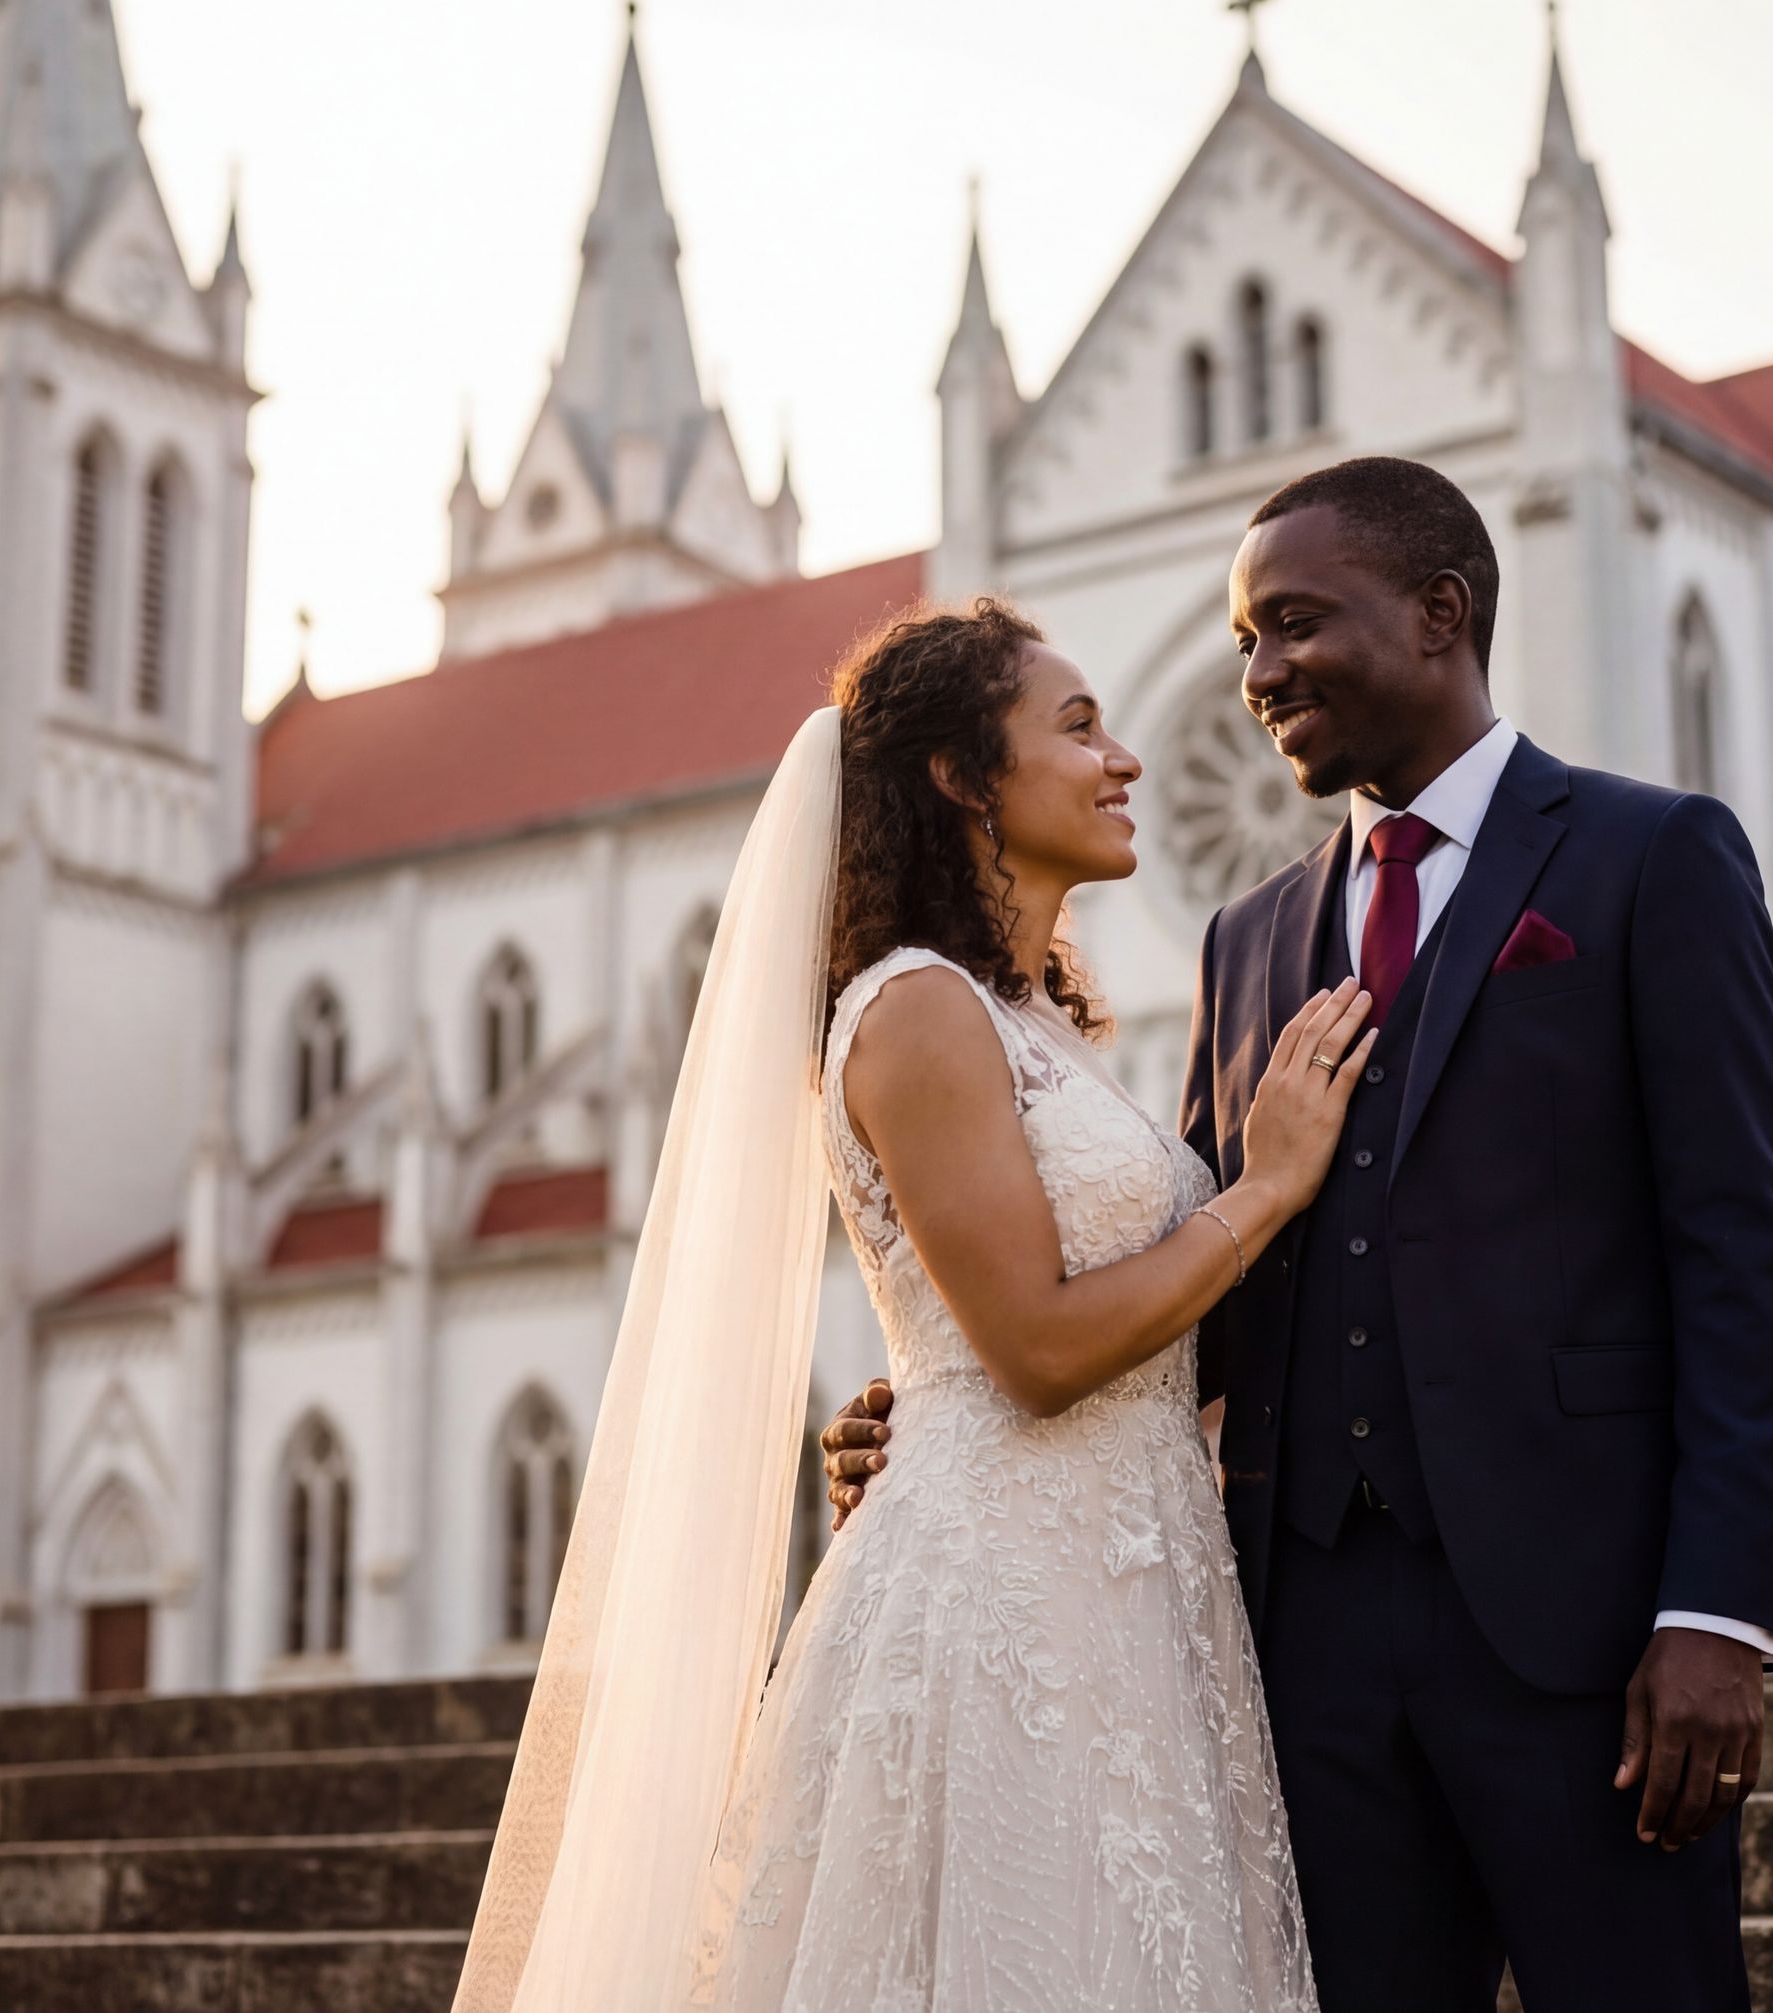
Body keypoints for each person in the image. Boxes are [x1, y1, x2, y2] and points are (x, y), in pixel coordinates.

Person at [827, 456, 1773, 2011]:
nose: (1256, 671)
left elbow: (1743, 1252)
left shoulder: (1652, 859)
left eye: (1293, 623)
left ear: (1440, 613)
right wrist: (953, 1407)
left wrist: (1719, 1612)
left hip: (1590, 1637)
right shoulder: (1252, 937)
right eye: (1242, 638)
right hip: (1306, 1658)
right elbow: (1213, 1274)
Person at [454, 601, 1369, 2013]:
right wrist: (1270, 1184)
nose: (1121, 759)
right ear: (958, 775)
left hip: (1126, 1586)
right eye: (1075, 727)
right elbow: (1042, 1346)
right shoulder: (919, 1008)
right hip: (1012, 1602)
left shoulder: (1035, 1023)